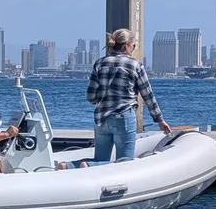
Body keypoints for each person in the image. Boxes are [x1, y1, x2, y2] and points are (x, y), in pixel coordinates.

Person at [57, 28, 171, 170]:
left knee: (100, 160)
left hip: (102, 119)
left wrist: (102, 100)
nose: (134, 49)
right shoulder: (135, 65)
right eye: (134, 45)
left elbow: (90, 96)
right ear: (127, 45)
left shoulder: (100, 63)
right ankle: (88, 166)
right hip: (123, 118)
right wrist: (159, 120)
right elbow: (148, 95)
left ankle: (67, 166)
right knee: (124, 163)